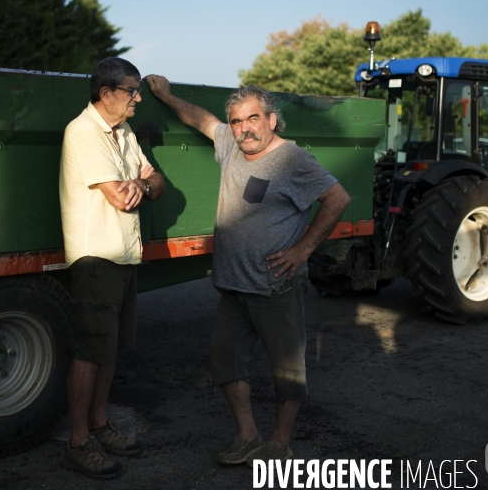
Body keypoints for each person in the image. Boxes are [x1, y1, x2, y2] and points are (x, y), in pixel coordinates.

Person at [144, 75, 349, 467]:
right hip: (234, 287)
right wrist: (167, 96)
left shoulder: (292, 159)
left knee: (286, 370)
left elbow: (337, 198)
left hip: (275, 287)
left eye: (252, 118)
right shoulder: (231, 146)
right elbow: (201, 120)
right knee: (224, 362)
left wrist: (302, 250)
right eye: (237, 121)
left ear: (272, 120)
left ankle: (280, 440)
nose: (244, 128)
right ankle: (248, 435)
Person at [59, 57, 165, 480]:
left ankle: (100, 424)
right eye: (131, 90)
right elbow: (122, 198)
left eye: (138, 90)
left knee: (111, 348)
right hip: (96, 258)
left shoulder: (121, 131)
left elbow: (155, 181)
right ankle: (78, 440)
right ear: (106, 94)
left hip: (123, 254)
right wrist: (141, 186)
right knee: (89, 352)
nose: (138, 98)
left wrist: (142, 184)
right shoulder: (83, 132)